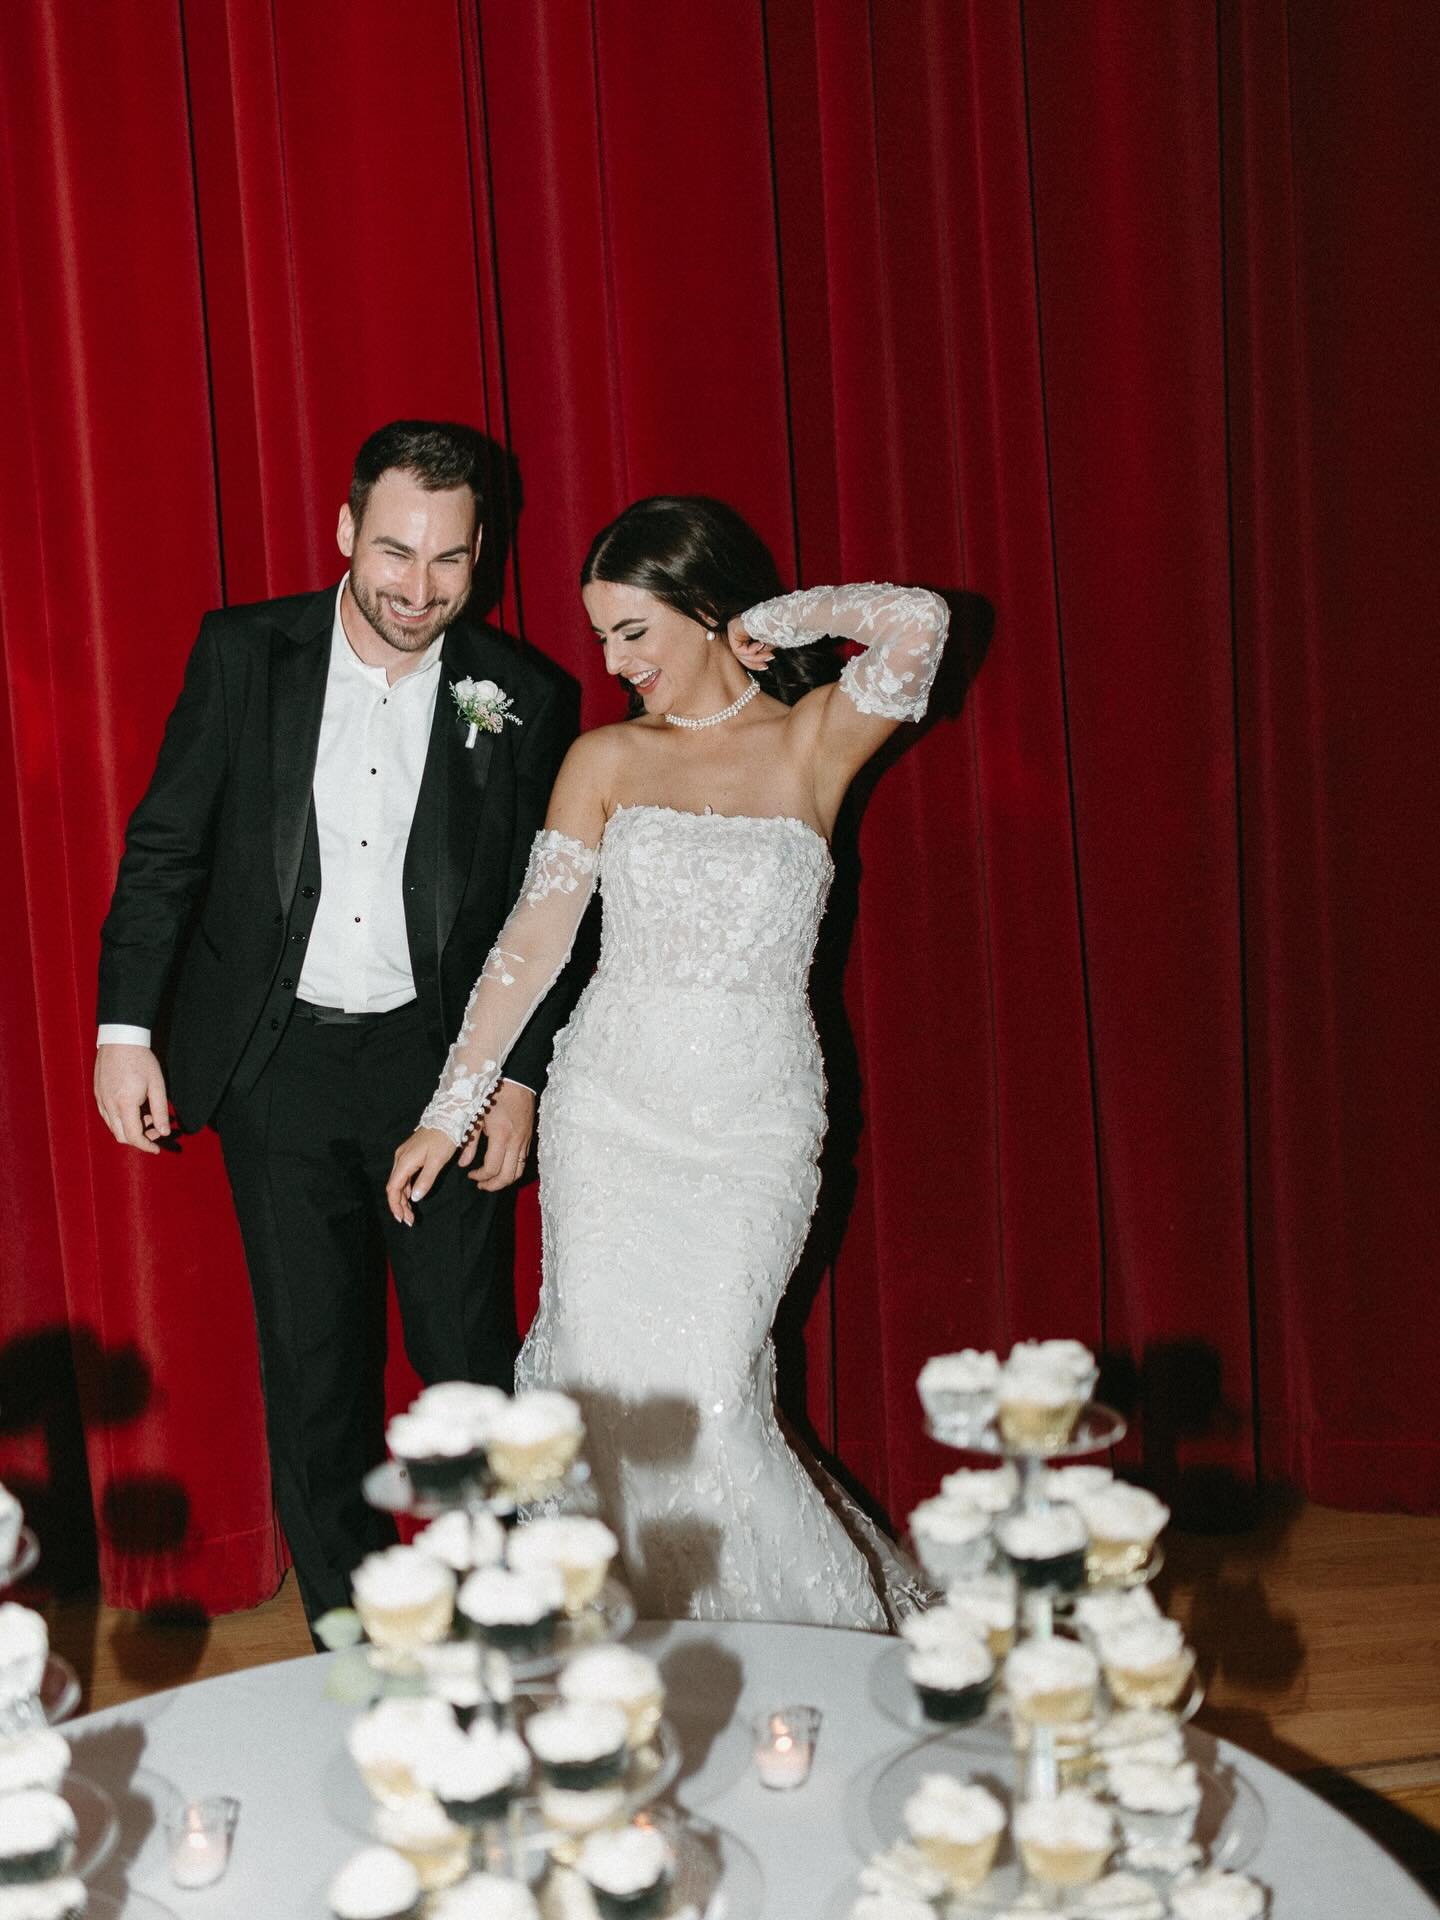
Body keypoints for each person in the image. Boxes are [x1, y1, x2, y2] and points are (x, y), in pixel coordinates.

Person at [387, 495, 947, 1629]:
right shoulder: (607, 757)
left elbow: (919, 623)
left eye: (635, 630)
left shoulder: (816, 739)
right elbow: (533, 940)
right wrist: (455, 1106)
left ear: (705, 614)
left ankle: (799, 1659)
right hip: (614, 1112)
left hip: (754, 1122)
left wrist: (775, 624)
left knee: (709, 1398)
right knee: (605, 1400)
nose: (614, 659)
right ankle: (627, 1660)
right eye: (601, 635)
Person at [95, 421, 573, 1629]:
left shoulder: (521, 696)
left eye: (450, 561)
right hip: (281, 1065)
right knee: (316, 1377)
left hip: (438, 1068)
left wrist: (513, 1080)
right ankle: (356, 1646)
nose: (420, 588)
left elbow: (544, 912)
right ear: (348, 531)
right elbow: (166, 847)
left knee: (468, 1358)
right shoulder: (243, 653)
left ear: (482, 559)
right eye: (398, 551)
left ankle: (504, 1624)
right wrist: (124, 1031)